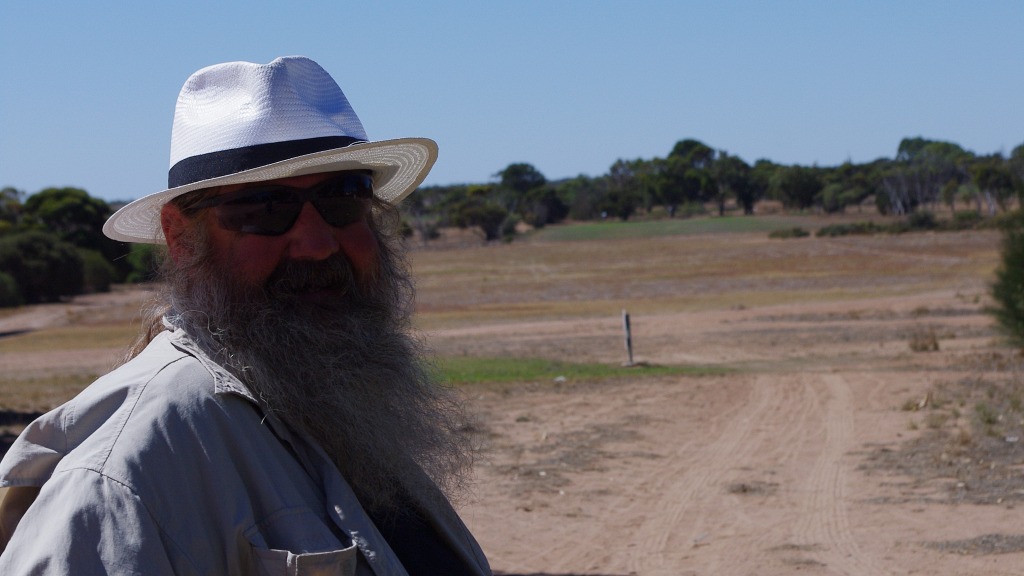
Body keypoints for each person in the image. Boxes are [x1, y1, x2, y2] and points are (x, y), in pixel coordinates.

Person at [0, 56, 491, 575]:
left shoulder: (334, 404)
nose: (318, 244)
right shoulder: (125, 474)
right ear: (181, 238)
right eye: (263, 208)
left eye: (343, 197)